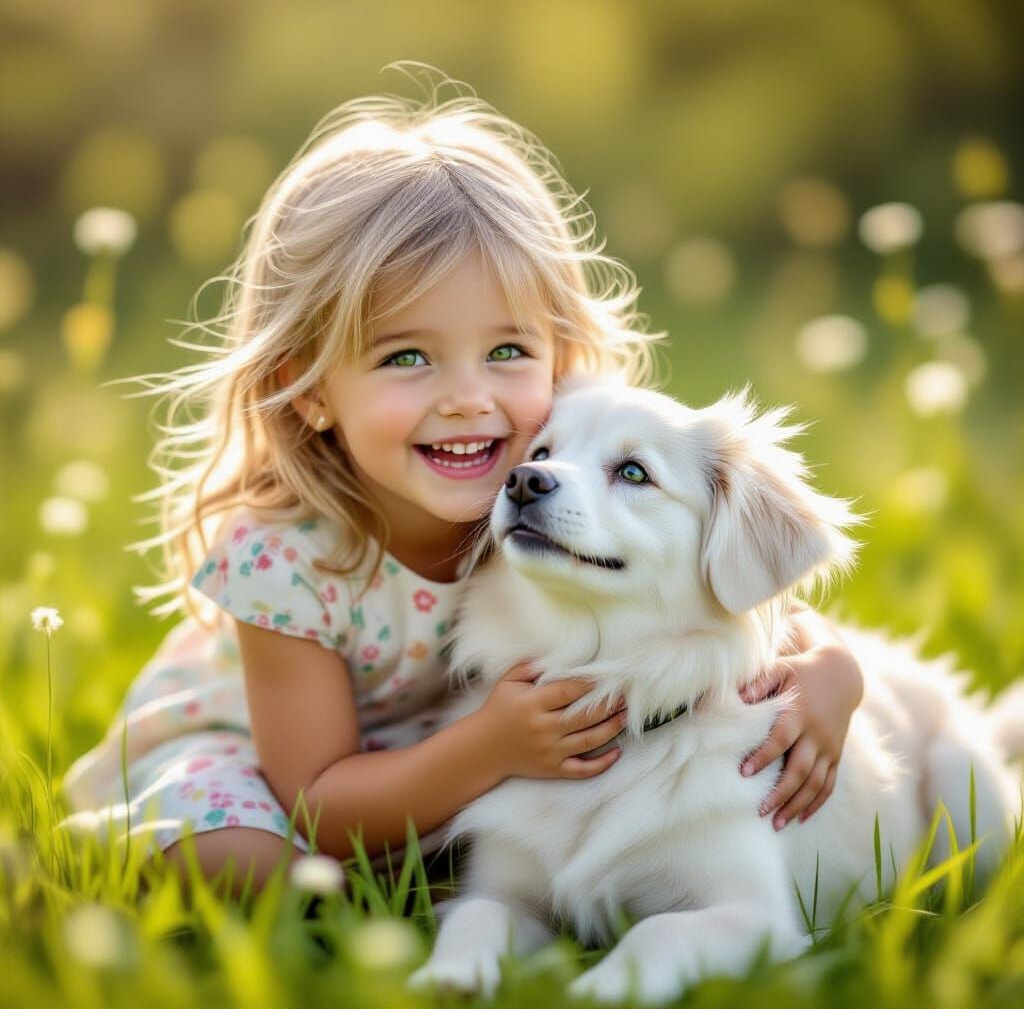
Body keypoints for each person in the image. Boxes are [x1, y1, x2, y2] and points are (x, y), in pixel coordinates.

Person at [63, 69, 864, 893]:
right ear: (307, 390)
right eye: (407, 356)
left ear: (560, 359)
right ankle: (123, 842)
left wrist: (834, 672)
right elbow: (317, 802)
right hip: (273, 767)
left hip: (459, 751)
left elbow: (730, 594)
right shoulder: (284, 557)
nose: (467, 399)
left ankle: (441, 858)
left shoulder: (546, 490)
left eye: (507, 351)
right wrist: (489, 749)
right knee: (256, 864)